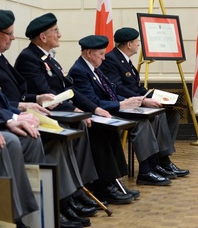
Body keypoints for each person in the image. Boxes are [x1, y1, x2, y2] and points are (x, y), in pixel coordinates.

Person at [14, 12, 138, 204]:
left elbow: (69, 89)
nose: (60, 34)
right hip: (47, 113)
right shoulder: (29, 58)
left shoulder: (48, 59)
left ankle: (101, 183)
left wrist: (94, 109)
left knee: (102, 123)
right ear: (43, 37)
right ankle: (92, 186)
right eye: (55, 31)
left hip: (60, 110)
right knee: (95, 129)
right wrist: (75, 110)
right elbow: (47, 94)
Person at [0, 16, 89, 228]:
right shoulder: (16, 59)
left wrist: (24, 106)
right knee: (23, 139)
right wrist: (13, 116)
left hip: (7, 116)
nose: (9, 39)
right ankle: (30, 212)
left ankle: (62, 199)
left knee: (65, 131)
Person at [67, 35, 188, 189]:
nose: (104, 58)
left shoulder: (93, 68)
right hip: (100, 113)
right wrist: (121, 104)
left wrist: (126, 102)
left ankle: (157, 163)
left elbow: (111, 90)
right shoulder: (80, 70)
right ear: (89, 53)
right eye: (101, 54)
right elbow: (93, 102)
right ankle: (145, 170)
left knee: (154, 115)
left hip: (110, 108)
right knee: (141, 122)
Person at [100, 27, 189, 177]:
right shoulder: (111, 59)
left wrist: (157, 96)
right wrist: (144, 100)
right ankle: (158, 163)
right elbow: (118, 88)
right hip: (124, 105)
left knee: (173, 114)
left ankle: (162, 158)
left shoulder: (125, 60)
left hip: (136, 102)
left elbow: (136, 87)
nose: (138, 44)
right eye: (137, 42)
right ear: (129, 44)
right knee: (158, 114)